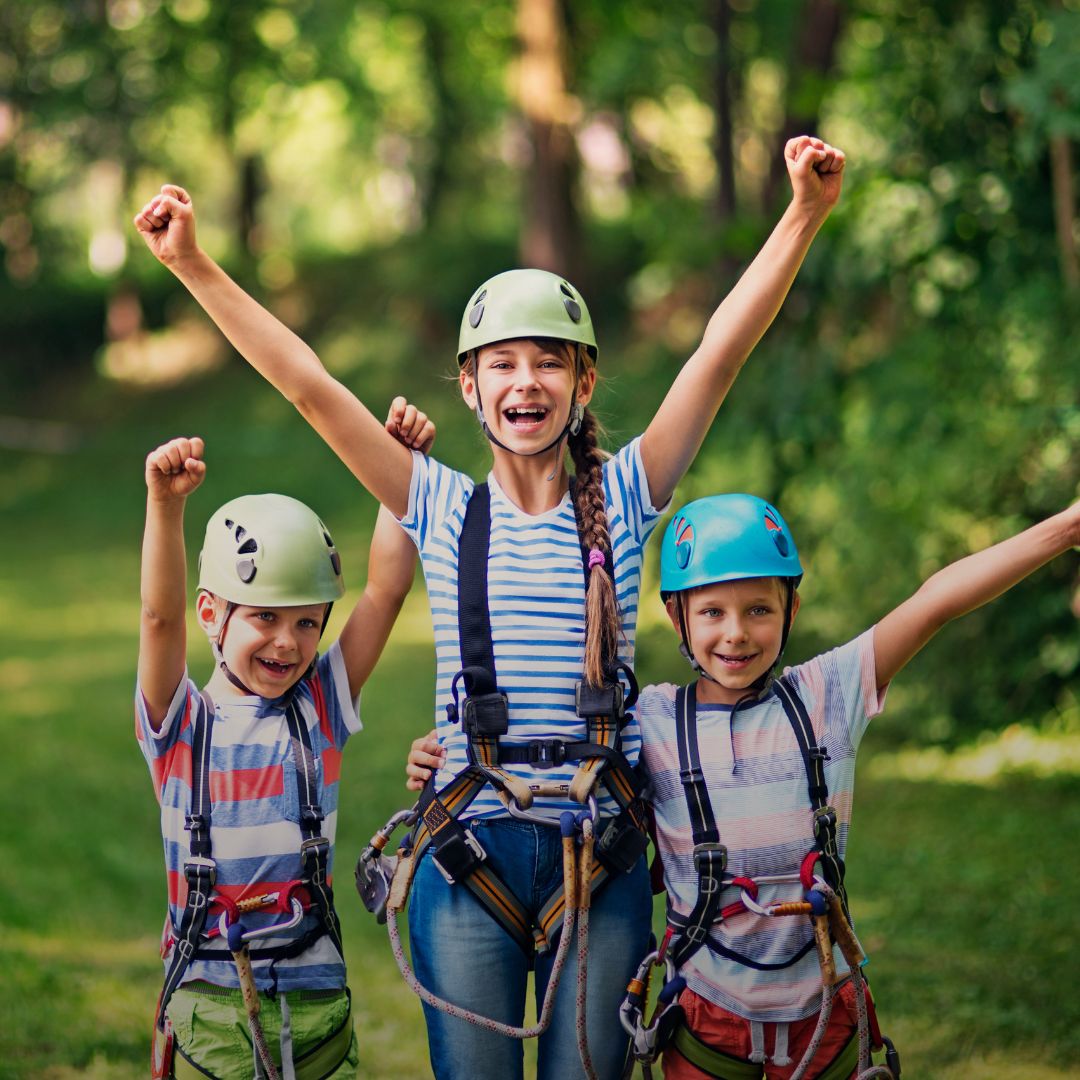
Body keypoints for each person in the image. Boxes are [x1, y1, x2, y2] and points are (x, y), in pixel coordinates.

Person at [133, 134, 845, 1080]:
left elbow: (718, 355)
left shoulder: (628, 494)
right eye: (501, 364)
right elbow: (308, 386)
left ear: (583, 383)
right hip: (468, 855)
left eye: (549, 363)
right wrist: (192, 263)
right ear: (470, 387)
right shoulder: (436, 503)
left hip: (602, 853)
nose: (526, 383)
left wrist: (802, 213)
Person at [412, 489, 1080, 1079]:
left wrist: (1067, 528)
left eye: (759, 609)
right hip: (706, 1025)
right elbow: (546, 737)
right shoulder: (649, 723)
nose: (736, 634)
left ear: (791, 609)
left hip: (825, 1013)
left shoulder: (828, 695)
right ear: (678, 621)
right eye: (713, 613)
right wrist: (442, 754)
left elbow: (934, 603)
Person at [138, 415, 432, 1080]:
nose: (288, 643)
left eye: (307, 622)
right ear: (212, 615)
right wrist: (165, 505)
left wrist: (399, 475)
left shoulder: (319, 708)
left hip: (317, 1005)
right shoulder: (181, 721)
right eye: (264, 617)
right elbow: (159, 619)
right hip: (210, 1010)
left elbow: (386, 589)